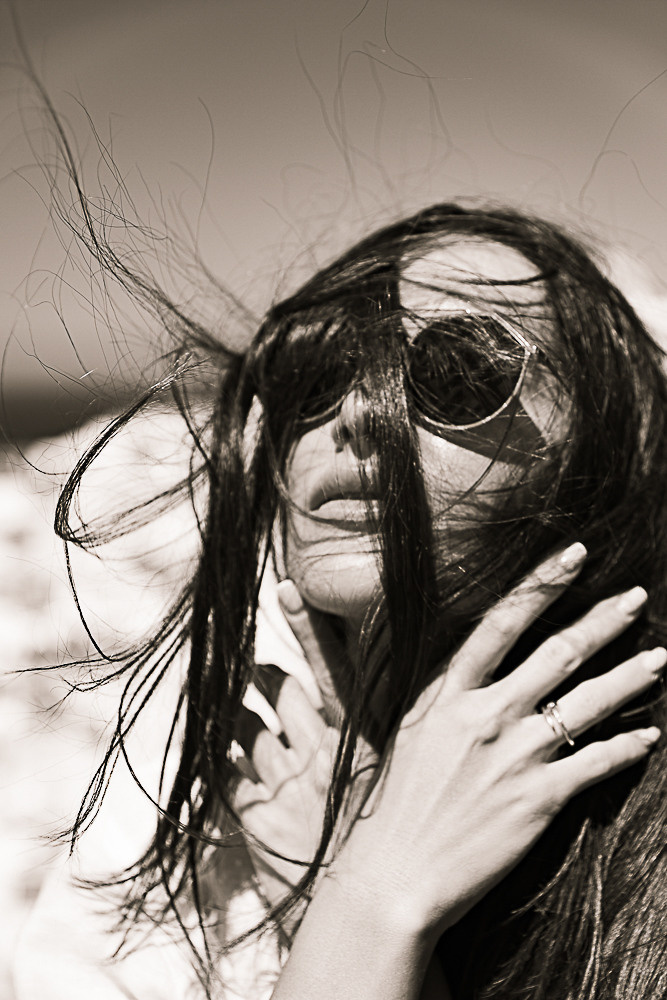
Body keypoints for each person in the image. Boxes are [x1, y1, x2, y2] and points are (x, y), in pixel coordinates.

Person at [15, 200, 667, 1000]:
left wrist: (359, 904)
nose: (357, 412)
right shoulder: (200, 790)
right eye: (314, 374)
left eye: (459, 370)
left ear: (600, 460)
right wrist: (366, 908)